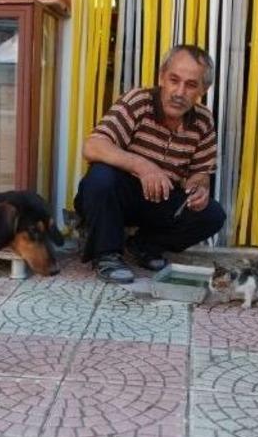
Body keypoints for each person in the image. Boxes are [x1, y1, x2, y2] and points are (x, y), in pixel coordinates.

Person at [74, 44, 227, 283]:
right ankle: (106, 254)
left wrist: (199, 188)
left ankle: (143, 246)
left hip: (160, 200)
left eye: (190, 85)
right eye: (174, 80)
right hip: (119, 196)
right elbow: (92, 146)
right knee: (101, 176)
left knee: (212, 214)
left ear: (203, 90)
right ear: (161, 77)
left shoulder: (203, 120)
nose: (179, 92)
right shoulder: (139, 101)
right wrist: (144, 167)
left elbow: (200, 171)